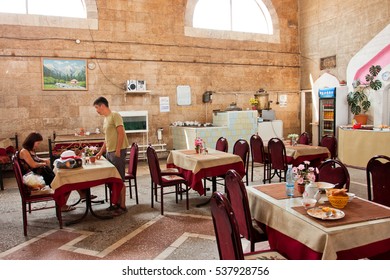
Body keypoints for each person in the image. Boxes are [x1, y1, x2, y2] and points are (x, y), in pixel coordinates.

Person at [19, 132, 88, 212]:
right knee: (66, 181)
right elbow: (33, 165)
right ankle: (63, 205)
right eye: (37, 143)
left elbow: (36, 159)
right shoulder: (24, 151)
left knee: (67, 177)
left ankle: (82, 194)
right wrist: (43, 163)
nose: (38, 145)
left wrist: (44, 160)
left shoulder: (30, 150)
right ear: (31, 141)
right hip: (36, 179)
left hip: (42, 174)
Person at [93, 96, 129, 215]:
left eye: (97, 108)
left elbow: (121, 133)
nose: (96, 110)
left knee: (119, 179)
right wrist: (100, 152)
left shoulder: (115, 115)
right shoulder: (105, 119)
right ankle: (116, 203)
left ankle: (122, 206)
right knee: (112, 179)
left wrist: (118, 150)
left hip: (117, 151)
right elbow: (107, 139)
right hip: (110, 152)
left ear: (102, 106)